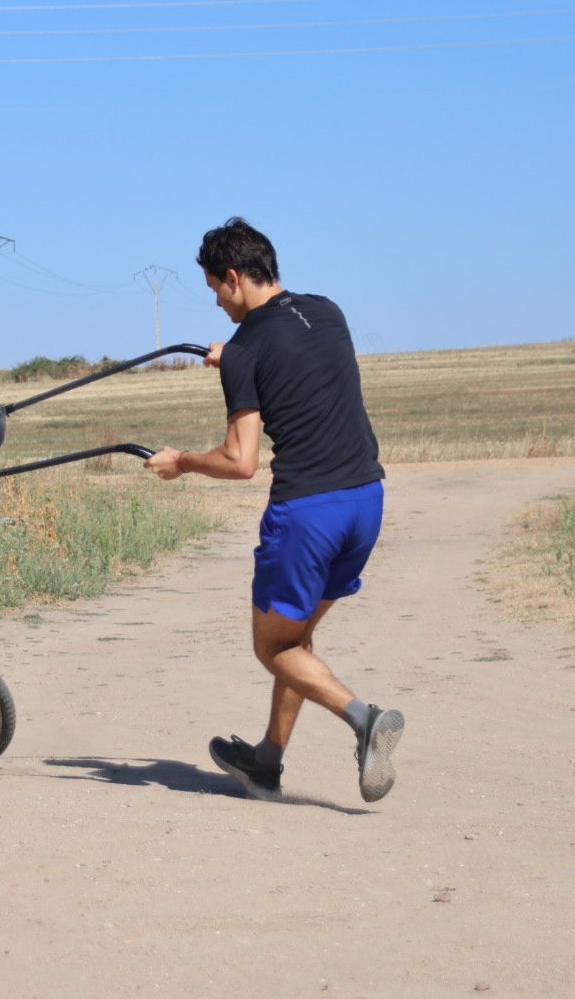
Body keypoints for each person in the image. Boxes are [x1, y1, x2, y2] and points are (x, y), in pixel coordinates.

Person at [145, 218, 403, 804]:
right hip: (366, 499)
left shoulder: (244, 350)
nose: (215, 300)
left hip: (308, 513)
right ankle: (266, 763)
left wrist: (181, 462)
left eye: (214, 288)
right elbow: (289, 358)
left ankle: (366, 721)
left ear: (233, 277)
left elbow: (241, 462)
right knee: (299, 638)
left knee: (274, 648)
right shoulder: (326, 311)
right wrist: (234, 356)